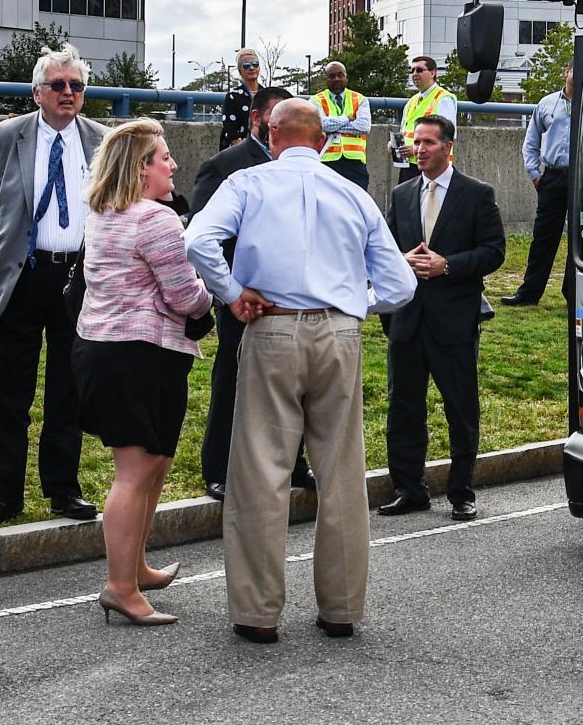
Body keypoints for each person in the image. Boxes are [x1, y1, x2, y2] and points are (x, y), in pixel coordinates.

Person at [184, 99, 415, 644]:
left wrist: (234, 292)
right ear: (324, 140)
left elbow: (197, 240)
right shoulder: (353, 193)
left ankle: (258, 612)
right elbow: (401, 285)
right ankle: (340, 609)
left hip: (273, 326)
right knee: (341, 471)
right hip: (339, 331)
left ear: (270, 130)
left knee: (261, 472)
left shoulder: (247, 184)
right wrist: (354, 301)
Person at [73, 120, 213, 627]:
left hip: (106, 352)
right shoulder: (156, 219)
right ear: (140, 168)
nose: (172, 165)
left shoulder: (102, 214)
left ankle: (134, 569)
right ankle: (119, 587)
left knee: (151, 465)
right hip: (138, 356)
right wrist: (209, 297)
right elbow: (184, 294)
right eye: (163, 157)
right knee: (135, 474)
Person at [0, 46, 106, 523]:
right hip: (20, 277)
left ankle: (63, 490)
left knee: (67, 389)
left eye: (76, 86)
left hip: (77, 280)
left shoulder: (103, 139)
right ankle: (5, 495)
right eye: (59, 85)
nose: (68, 93)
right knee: (10, 391)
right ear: (37, 92)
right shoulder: (5, 136)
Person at [190, 85, 312, 501]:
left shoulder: (305, 167)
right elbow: (204, 236)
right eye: (281, 120)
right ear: (258, 120)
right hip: (243, 298)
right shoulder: (225, 166)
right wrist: (234, 291)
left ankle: (294, 463)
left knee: (294, 383)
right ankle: (219, 467)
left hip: (294, 299)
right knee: (233, 379)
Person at [381, 115, 505, 520]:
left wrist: (446, 265)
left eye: (429, 143)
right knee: (403, 408)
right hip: (406, 320)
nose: (419, 150)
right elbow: (381, 250)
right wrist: (403, 260)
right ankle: (409, 488)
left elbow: (494, 251)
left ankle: (461, 491)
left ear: (449, 147)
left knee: (460, 408)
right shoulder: (400, 195)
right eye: (416, 142)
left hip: (453, 320)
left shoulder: (476, 194)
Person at [502, 63, 571, 306]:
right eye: (573, 71)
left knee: (580, 237)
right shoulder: (547, 103)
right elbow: (530, 142)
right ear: (566, 72)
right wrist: (535, 174)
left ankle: (572, 294)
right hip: (552, 176)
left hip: (580, 178)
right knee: (543, 237)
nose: (577, 75)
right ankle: (529, 293)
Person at [391, 55, 456, 181]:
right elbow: (405, 132)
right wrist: (395, 145)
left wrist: (415, 148)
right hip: (409, 166)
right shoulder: (411, 102)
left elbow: (447, 135)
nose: (415, 74)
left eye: (419, 70)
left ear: (432, 73)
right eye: (412, 70)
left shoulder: (443, 98)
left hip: (432, 167)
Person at [312, 60, 372, 192]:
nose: (336, 79)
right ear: (326, 79)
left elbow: (363, 127)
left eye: (340, 75)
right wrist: (347, 118)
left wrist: (333, 126)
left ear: (346, 77)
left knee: (357, 206)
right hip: (326, 161)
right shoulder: (316, 100)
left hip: (355, 163)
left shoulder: (360, 99)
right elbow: (321, 125)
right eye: (332, 76)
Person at [218, 48, 261, 150]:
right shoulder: (233, 96)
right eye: (246, 66)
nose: (251, 68)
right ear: (240, 70)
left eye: (255, 64)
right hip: (240, 150)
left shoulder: (266, 95)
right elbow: (230, 127)